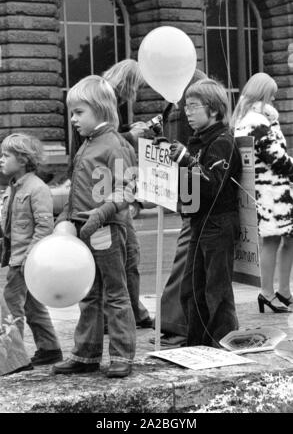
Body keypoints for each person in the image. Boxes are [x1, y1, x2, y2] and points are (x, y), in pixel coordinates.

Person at [53, 75, 136, 378]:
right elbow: (78, 188)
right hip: (83, 228)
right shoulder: (87, 144)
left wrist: (101, 214)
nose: (73, 119)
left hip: (106, 229)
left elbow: (128, 189)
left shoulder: (115, 145)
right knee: (88, 292)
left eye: (78, 112)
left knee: (115, 293)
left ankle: (122, 355)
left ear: (100, 109)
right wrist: (64, 217)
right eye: (72, 112)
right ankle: (85, 354)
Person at [70, 59, 153, 330]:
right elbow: (110, 160)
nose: (74, 119)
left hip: (104, 210)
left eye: (77, 113)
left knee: (112, 278)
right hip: (103, 209)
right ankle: (126, 317)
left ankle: (121, 327)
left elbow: (121, 179)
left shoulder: (99, 122)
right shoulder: (98, 108)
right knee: (124, 264)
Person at [169, 78, 242, 347]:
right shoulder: (199, 140)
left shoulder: (223, 141)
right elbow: (190, 183)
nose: (187, 111)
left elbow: (212, 184)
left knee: (217, 290)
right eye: (185, 106)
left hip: (218, 222)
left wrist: (186, 160)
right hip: (200, 221)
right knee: (192, 288)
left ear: (213, 109)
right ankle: (197, 342)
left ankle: (222, 342)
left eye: (193, 106)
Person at [150, 68, 207, 347]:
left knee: (188, 253)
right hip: (189, 184)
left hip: (188, 184)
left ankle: (174, 322)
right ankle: (174, 322)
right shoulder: (186, 91)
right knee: (189, 253)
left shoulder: (182, 92)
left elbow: (186, 146)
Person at [0, 133, 63, 367]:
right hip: (17, 257)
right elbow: (7, 226)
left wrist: (29, 258)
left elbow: (45, 226)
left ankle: (14, 358)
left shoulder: (37, 188)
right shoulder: (13, 188)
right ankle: (50, 348)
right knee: (32, 305)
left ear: (23, 159)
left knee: (12, 304)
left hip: (26, 259)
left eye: (6, 156)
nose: (1, 160)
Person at [233, 72, 293, 313]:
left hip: (271, 190)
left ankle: (282, 291)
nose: (275, 98)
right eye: (273, 94)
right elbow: (276, 158)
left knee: (285, 238)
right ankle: (268, 292)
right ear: (263, 94)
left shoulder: (250, 119)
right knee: (272, 240)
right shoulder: (256, 121)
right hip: (271, 192)